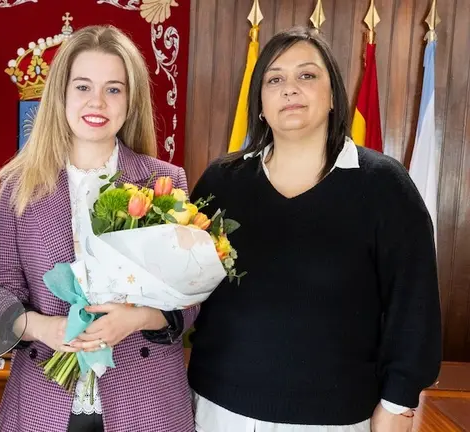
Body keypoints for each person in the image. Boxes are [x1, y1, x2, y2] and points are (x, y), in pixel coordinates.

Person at [188, 27, 441, 432]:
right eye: (274, 79)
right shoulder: (222, 181)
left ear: (332, 97)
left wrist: (397, 403)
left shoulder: (384, 186)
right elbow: (187, 286)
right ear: (260, 105)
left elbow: (414, 304)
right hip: (218, 407)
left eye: (307, 75)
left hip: (334, 417)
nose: (290, 88)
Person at [0, 25, 198, 432]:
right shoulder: (19, 186)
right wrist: (42, 327)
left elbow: (189, 303)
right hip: (44, 396)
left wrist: (136, 318)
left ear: (129, 98)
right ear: (61, 95)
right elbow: (1, 293)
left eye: (113, 89)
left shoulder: (163, 181)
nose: (97, 101)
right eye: (83, 86)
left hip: (147, 400)